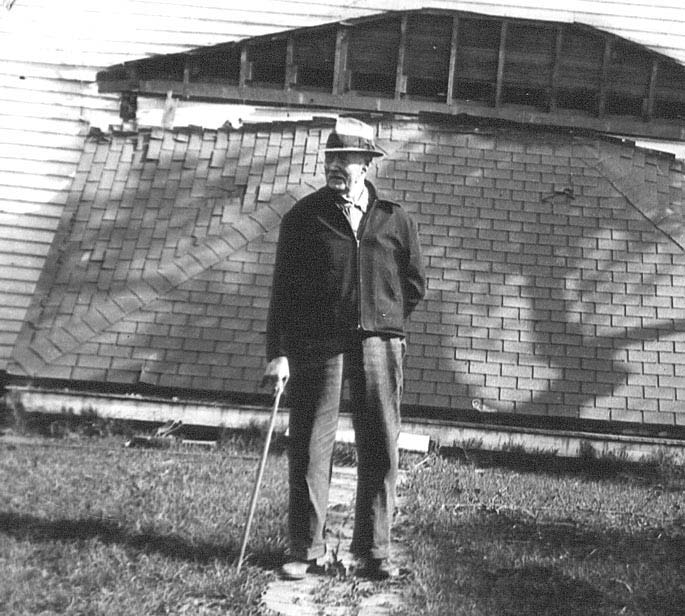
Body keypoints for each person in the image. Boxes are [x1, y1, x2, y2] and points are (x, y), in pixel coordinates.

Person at [262, 117, 426, 580]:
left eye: (347, 159)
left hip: (379, 343)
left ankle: (374, 551)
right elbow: (283, 293)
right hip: (320, 343)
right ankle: (305, 549)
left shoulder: (395, 219)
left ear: (366, 165)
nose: (336, 167)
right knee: (311, 446)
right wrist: (279, 352)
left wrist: (385, 320)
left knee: (381, 445)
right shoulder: (304, 218)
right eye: (331, 158)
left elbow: (414, 283)